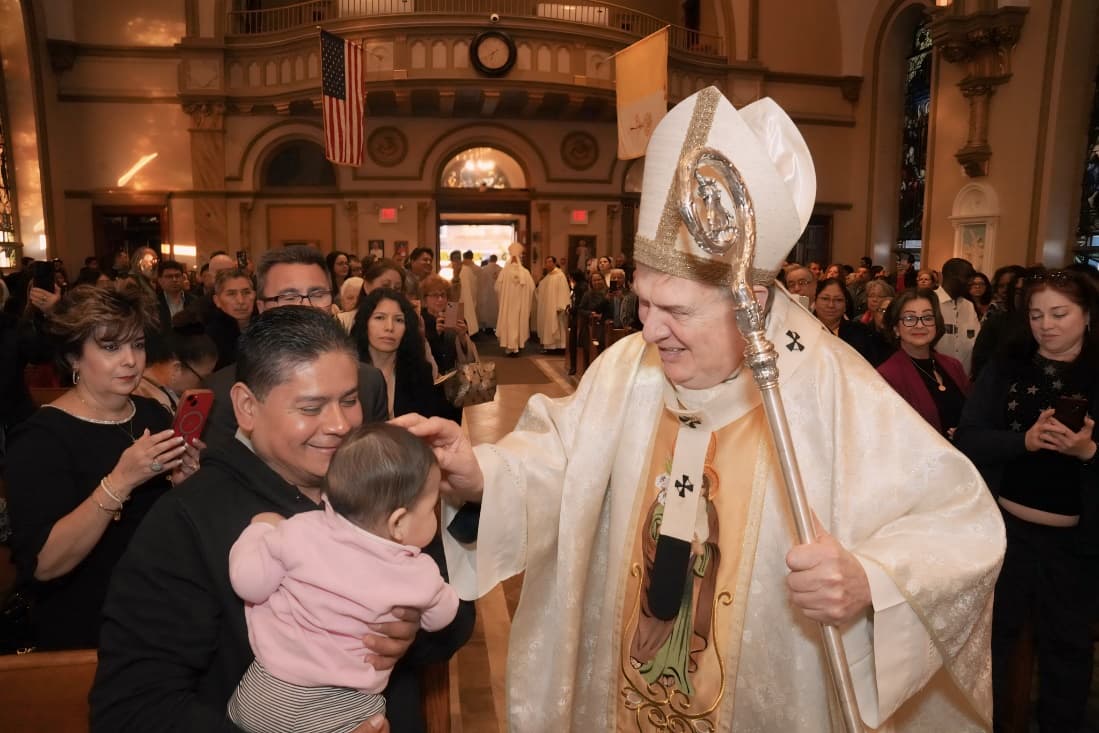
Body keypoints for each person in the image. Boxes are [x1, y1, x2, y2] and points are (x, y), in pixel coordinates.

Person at [396, 87, 1003, 731]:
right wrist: (481, 476)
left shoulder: (835, 389)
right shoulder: (629, 368)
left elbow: (959, 523)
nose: (651, 329)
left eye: (678, 311)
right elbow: (559, 461)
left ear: (753, 308)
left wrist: (870, 580)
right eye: (645, 302)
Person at [91, 306, 475, 733]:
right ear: (246, 407)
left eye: (349, 400)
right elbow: (131, 708)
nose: (339, 425)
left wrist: (411, 635)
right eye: (311, 407)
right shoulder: (188, 520)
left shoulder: (379, 485)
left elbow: (454, 624)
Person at [226, 423, 460, 733]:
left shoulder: (298, 531)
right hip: (346, 711)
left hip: (267, 696)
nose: (435, 516)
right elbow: (444, 615)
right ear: (398, 523)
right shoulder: (419, 573)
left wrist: (260, 529)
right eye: (431, 508)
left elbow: (249, 585)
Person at [4, 282, 200, 650]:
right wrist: (119, 482)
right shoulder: (40, 439)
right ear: (74, 357)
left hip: (161, 606)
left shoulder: (153, 413)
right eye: (111, 347)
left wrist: (183, 481)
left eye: (137, 345)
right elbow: (45, 564)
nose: (130, 360)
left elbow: (164, 521)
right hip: (89, 620)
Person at [955, 268, 1099, 733]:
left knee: (1069, 656)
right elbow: (971, 438)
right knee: (995, 647)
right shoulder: (1008, 364)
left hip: (1078, 548)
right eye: (1036, 314)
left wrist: (1088, 452)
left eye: (1059, 313)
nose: (1046, 325)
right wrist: (1025, 443)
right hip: (1008, 536)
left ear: (1088, 315)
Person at [202, 245, 387, 448]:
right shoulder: (221, 392)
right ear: (262, 308)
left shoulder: (368, 383)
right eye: (288, 297)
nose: (305, 307)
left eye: (317, 294)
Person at [877, 289, 970, 437]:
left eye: (927, 317)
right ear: (896, 329)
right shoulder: (887, 375)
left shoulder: (953, 365)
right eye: (909, 318)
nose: (920, 325)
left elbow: (973, 413)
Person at [352, 288, 452, 420]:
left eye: (398, 320)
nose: (389, 327)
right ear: (365, 323)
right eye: (380, 318)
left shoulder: (420, 372)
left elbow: (427, 428)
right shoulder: (348, 372)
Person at [133, 316, 218, 415]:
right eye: (202, 378)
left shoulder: (165, 390)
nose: (202, 387)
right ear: (176, 368)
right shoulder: (142, 398)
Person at [936, 257, 981, 376]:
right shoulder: (930, 301)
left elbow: (976, 341)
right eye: (967, 277)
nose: (970, 283)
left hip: (964, 378)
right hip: (936, 376)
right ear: (951, 276)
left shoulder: (969, 305)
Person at [206, 268, 256, 370]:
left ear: (254, 295)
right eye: (231, 294)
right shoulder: (208, 340)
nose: (241, 301)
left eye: (246, 292)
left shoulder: (268, 329)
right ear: (217, 301)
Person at [421, 273, 470, 375]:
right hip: (429, 376)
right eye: (435, 295)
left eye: (443, 295)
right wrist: (435, 335)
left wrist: (462, 337)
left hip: (454, 376)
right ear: (425, 299)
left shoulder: (453, 315)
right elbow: (419, 353)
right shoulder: (420, 320)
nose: (440, 299)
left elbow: (468, 358)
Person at [495, 243, 534, 356]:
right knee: (517, 322)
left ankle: (509, 347)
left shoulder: (504, 272)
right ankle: (516, 346)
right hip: (519, 305)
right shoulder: (525, 273)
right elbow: (531, 288)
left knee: (509, 323)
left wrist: (503, 297)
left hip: (508, 305)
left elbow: (497, 288)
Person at [535, 256, 570, 353]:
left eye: (550, 262)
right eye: (546, 262)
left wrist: (561, 305)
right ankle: (550, 347)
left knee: (558, 326)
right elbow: (540, 288)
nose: (548, 264)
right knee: (548, 326)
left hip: (556, 306)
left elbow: (564, 291)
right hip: (548, 306)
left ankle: (560, 347)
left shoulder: (560, 275)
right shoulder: (548, 276)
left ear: (554, 263)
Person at [155, 259, 193, 332]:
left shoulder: (194, 301)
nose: (174, 279)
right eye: (169, 276)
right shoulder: (152, 304)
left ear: (183, 278)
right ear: (160, 280)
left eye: (177, 276)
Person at [476, 254, 501, 335]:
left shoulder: (484, 269)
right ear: (496, 260)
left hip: (486, 293)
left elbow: (481, 282)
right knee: (495, 309)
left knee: (487, 310)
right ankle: (496, 326)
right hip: (497, 294)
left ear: (490, 259)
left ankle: (487, 328)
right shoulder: (501, 270)